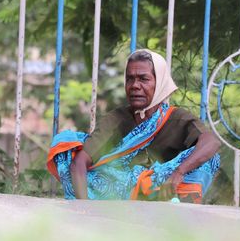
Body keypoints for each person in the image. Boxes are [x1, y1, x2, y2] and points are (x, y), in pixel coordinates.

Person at [47, 49, 221, 202]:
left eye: (143, 79)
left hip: (164, 192)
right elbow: (79, 163)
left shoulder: (176, 118)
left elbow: (211, 142)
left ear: (159, 82)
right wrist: (86, 210)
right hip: (118, 192)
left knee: (208, 156)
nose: (135, 86)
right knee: (67, 150)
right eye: (130, 79)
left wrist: (179, 172)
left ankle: (182, 208)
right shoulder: (116, 119)